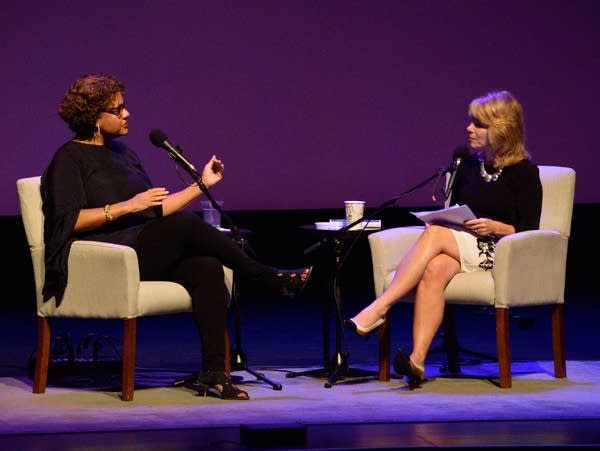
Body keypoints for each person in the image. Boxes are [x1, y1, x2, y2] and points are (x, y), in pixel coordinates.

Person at [41, 73, 312, 401]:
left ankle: (214, 373)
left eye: (125, 107)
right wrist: (126, 206)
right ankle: (266, 277)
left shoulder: (124, 154)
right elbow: (65, 223)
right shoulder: (69, 159)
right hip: (105, 257)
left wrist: (202, 184)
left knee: (206, 267)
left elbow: (156, 209)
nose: (127, 114)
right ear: (93, 117)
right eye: (118, 109)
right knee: (186, 227)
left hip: (140, 248)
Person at [344, 90, 542, 387]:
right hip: (462, 245)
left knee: (435, 233)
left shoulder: (524, 172)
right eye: (471, 122)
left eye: (478, 124)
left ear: (501, 129)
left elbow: (529, 229)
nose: (469, 129)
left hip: (500, 251)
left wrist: (494, 226)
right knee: (434, 268)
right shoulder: (468, 166)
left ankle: (381, 307)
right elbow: (456, 211)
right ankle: (418, 361)